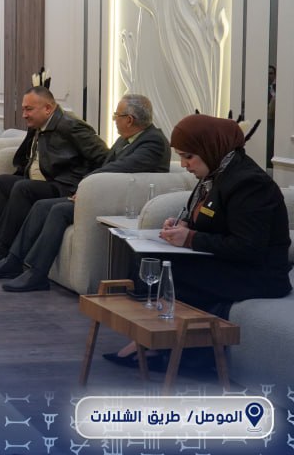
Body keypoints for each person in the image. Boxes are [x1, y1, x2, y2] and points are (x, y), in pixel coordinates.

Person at [105, 114, 291, 368]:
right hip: (230, 263)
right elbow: (213, 220)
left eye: (189, 156)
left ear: (210, 148)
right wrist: (184, 225)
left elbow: (248, 247)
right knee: (149, 261)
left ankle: (174, 351)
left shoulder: (250, 183)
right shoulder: (216, 173)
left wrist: (191, 238)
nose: (183, 164)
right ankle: (160, 344)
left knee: (171, 273)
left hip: (259, 274)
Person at [0, 93, 170, 290]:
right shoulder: (126, 139)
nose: (114, 120)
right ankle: (14, 260)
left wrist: (85, 188)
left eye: (116, 116)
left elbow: (119, 168)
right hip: (101, 195)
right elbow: (107, 165)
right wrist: (84, 189)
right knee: (41, 206)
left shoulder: (153, 142)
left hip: (119, 202)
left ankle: (37, 274)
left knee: (58, 210)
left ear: (129, 119)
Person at [0, 86, 108, 268]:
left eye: (29, 109)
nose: (24, 115)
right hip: (42, 181)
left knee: (23, 188)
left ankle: (5, 251)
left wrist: (85, 186)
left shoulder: (71, 126)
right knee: (1, 182)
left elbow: (104, 157)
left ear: (48, 108)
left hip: (64, 185)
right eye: (23, 109)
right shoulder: (37, 125)